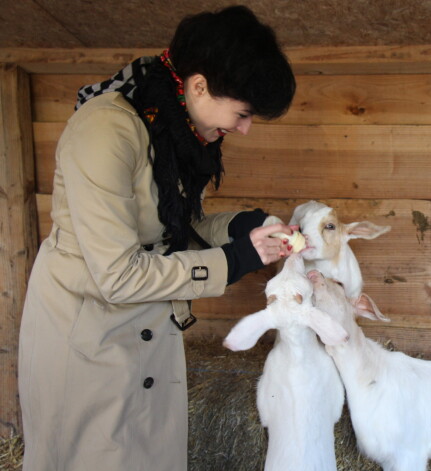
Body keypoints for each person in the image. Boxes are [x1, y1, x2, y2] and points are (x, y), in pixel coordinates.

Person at [18, 6, 297, 471]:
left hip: (148, 331)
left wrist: (238, 228)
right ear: (200, 85)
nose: (246, 128)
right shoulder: (105, 131)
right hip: (89, 340)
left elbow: (169, 233)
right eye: (244, 113)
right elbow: (119, 274)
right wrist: (236, 259)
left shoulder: (177, 128)